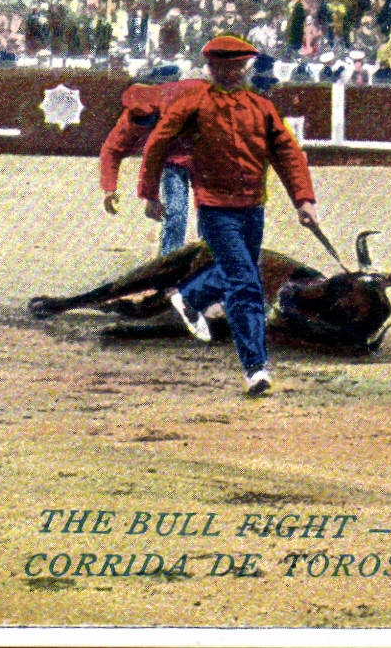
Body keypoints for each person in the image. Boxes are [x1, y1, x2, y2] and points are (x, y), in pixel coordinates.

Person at [137, 35, 320, 396]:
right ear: (210, 68)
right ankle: (256, 368)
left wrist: (304, 200)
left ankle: (189, 297)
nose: (229, 72)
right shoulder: (193, 103)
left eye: (236, 66)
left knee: (240, 272)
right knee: (245, 284)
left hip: (253, 209)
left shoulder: (261, 108)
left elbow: (288, 154)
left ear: (245, 68)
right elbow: (158, 142)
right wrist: (149, 193)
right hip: (215, 210)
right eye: (221, 66)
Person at [99, 75, 206, 254]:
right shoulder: (130, 122)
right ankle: (170, 258)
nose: (146, 125)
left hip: (204, 151)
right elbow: (111, 150)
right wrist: (109, 189)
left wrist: (150, 197)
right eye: (141, 120)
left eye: (150, 120)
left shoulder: (186, 97)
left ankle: (213, 255)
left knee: (209, 208)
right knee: (175, 211)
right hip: (174, 157)